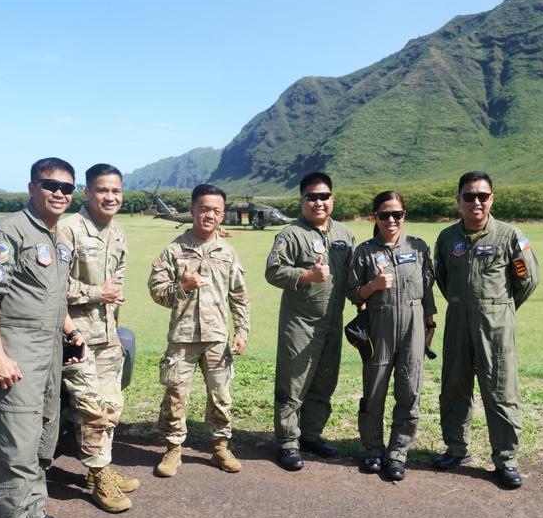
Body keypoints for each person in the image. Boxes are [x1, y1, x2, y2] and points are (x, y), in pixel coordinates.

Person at [0, 157, 85, 518]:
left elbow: (54, 295)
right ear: (31, 187)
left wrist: (72, 331)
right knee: (16, 445)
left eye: (67, 188)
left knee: (43, 436)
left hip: (51, 349)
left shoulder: (58, 237)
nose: (59, 193)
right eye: (50, 184)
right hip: (17, 349)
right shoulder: (8, 231)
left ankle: (34, 514)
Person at [432, 171, 540, 489]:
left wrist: (499, 309)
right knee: (454, 388)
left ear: (492, 198)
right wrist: (464, 304)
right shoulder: (447, 238)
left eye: (482, 196)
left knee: (500, 391)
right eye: (469, 196)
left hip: (496, 327)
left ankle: (505, 460)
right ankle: (456, 449)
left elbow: (528, 280)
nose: (476, 202)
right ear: (458, 201)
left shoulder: (510, 237)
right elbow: (442, 279)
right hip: (457, 323)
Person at [147, 184, 250, 478]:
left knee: (221, 395)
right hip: (183, 336)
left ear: (222, 215)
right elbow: (156, 290)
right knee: (175, 395)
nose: (210, 215)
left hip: (218, 338)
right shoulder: (174, 250)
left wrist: (241, 331)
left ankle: (219, 448)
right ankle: (173, 449)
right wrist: (182, 287)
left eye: (216, 211)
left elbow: (239, 296)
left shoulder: (227, 253)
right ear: (192, 210)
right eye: (204, 209)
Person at [58, 163, 137, 513]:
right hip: (76, 337)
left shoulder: (118, 232)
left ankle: (98, 467)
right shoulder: (68, 230)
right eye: (102, 190)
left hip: (107, 335)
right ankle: (99, 475)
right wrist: (95, 293)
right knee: (91, 409)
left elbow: (116, 286)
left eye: (116, 191)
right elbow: (52, 287)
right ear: (87, 192)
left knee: (111, 406)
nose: (110, 197)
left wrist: (111, 308)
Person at [265, 172, 355, 471]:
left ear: (332, 199)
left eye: (324, 196)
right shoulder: (290, 234)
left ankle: (311, 436)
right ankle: (288, 442)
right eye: (312, 197)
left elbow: (353, 275)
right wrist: (306, 276)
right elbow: (273, 272)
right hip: (300, 322)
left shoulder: (344, 233)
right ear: (301, 200)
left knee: (324, 382)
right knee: (293, 383)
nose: (318, 202)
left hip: (333, 319)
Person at [347, 191, 436, 481]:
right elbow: (352, 293)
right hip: (379, 325)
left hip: (413, 325)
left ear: (403, 216)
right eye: (384, 215)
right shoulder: (364, 252)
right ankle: (373, 450)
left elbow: (428, 290)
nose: (390, 220)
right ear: (375, 217)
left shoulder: (419, 248)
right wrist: (372, 286)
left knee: (409, 391)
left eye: (396, 214)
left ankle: (398, 453)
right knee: (374, 391)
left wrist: (430, 324)